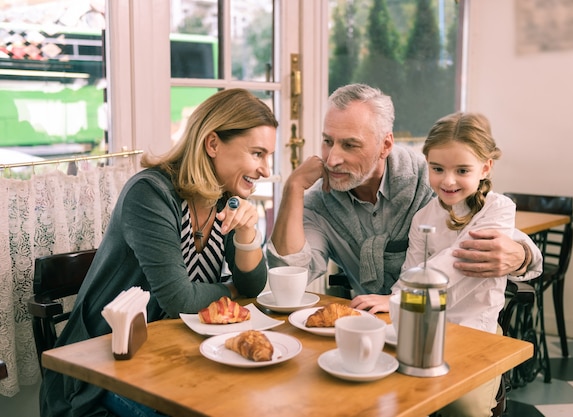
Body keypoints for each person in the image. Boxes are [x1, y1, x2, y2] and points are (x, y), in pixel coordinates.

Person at [40, 88, 278, 417]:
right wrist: (230, 292)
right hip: (101, 372)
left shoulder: (223, 199)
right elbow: (179, 298)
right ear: (212, 144)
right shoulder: (150, 193)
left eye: (269, 157)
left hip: (172, 359)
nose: (266, 170)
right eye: (257, 154)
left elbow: (252, 288)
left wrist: (248, 233)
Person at [267, 83, 540, 314]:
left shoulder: (432, 178)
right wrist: (293, 189)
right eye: (328, 141)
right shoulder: (320, 200)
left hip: (449, 322)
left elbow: (491, 228)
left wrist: (522, 255)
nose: (332, 159)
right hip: (376, 323)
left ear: (385, 145)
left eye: (350, 144)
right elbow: (289, 274)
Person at [398, 111, 519, 417]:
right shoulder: (422, 217)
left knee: (464, 408)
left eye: (462, 170)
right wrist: (392, 302)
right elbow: (409, 273)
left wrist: (393, 298)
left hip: (477, 335)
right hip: (426, 332)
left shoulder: (499, 208)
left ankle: (494, 384)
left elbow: (458, 262)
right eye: (437, 169)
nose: (447, 180)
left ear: (485, 167)